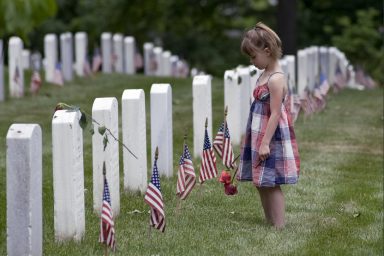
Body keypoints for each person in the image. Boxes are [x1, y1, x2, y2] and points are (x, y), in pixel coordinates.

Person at [237, 22, 300, 229]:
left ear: (267, 51)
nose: (252, 61)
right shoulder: (263, 75)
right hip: (258, 134)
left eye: (253, 56)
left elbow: (274, 114)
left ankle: (279, 224)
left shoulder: (276, 79)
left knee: (271, 182)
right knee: (260, 181)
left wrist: (264, 143)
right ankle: (269, 220)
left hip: (270, 137)